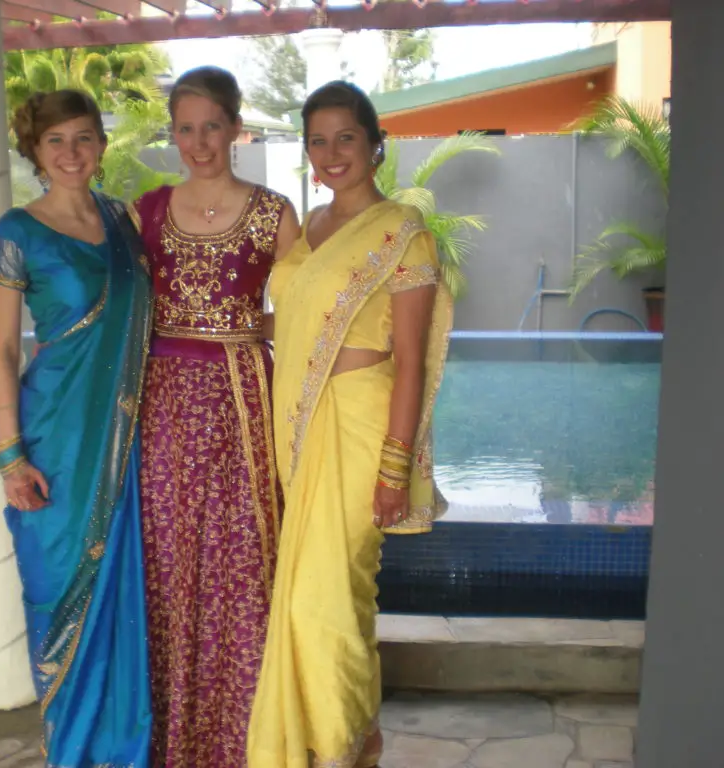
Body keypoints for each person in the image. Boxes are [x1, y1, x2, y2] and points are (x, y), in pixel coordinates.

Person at [247, 81, 453, 768]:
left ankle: (338, 747)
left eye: (346, 138)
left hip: (362, 423)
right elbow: (301, 322)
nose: (331, 153)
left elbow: (414, 361)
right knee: (317, 599)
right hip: (301, 426)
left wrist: (396, 467)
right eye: (317, 139)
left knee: (328, 604)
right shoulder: (312, 227)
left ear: (374, 145)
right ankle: (350, 740)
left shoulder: (404, 233)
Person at [131, 66, 300, 767]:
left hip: (241, 405)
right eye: (186, 128)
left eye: (212, 125)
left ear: (236, 127)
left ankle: (243, 738)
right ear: (173, 132)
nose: (199, 142)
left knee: (241, 564)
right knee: (167, 567)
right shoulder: (145, 212)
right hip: (163, 404)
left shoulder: (273, 212)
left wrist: (256, 330)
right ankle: (173, 737)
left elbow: (302, 318)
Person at [0, 89, 152, 766]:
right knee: (59, 588)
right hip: (56, 437)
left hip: (127, 435)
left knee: (126, 591)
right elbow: (1, 350)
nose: (71, 153)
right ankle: (75, 752)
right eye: (55, 141)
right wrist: (9, 454)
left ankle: (127, 748)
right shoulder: (17, 232)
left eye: (83, 137)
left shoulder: (125, 219)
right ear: (34, 151)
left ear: (102, 145)